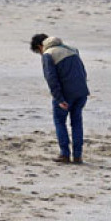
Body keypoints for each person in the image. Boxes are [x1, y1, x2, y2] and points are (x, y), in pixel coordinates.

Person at [30, 34, 90, 164]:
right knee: (77, 123)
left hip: (65, 94)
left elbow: (51, 79)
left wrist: (59, 98)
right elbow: (83, 72)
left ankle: (65, 154)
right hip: (81, 92)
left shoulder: (48, 55)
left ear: (40, 46)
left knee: (59, 121)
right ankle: (78, 156)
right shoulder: (72, 50)